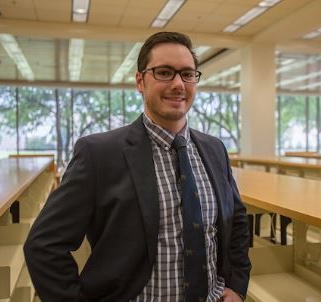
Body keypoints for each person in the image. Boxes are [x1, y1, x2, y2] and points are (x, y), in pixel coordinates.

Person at [24, 31, 251, 302]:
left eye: (188, 74)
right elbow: (44, 246)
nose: (179, 84)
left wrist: (237, 286)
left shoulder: (215, 150)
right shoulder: (98, 154)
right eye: (165, 72)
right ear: (140, 81)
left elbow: (235, 222)